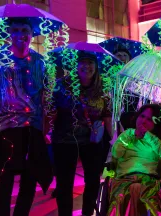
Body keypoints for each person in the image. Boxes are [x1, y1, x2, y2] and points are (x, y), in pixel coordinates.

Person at [0, 18, 52, 216]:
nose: (20, 34)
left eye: (25, 30)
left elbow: (44, 98)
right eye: (15, 30)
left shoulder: (40, 61)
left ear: (32, 34)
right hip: (4, 130)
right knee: (3, 182)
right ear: (8, 33)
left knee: (30, 182)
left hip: (33, 131)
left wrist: (46, 127)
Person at [51, 51, 112, 216]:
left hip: (92, 141)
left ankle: (87, 213)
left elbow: (107, 115)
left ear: (96, 66)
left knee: (92, 181)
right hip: (64, 139)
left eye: (90, 62)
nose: (87, 66)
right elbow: (51, 110)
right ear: (75, 66)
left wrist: (113, 139)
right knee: (64, 184)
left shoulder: (103, 88)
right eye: (82, 62)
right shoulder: (62, 85)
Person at [108, 104, 161, 216]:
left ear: (155, 123)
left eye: (148, 119)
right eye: (142, 116)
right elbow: (116, 153)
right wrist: (132, 135)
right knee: (123, 197)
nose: (143, 121)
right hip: (124, 180)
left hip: (149, 182)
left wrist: (148, 136)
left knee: (144, 197)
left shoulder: (155, 140)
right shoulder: (127, 134)